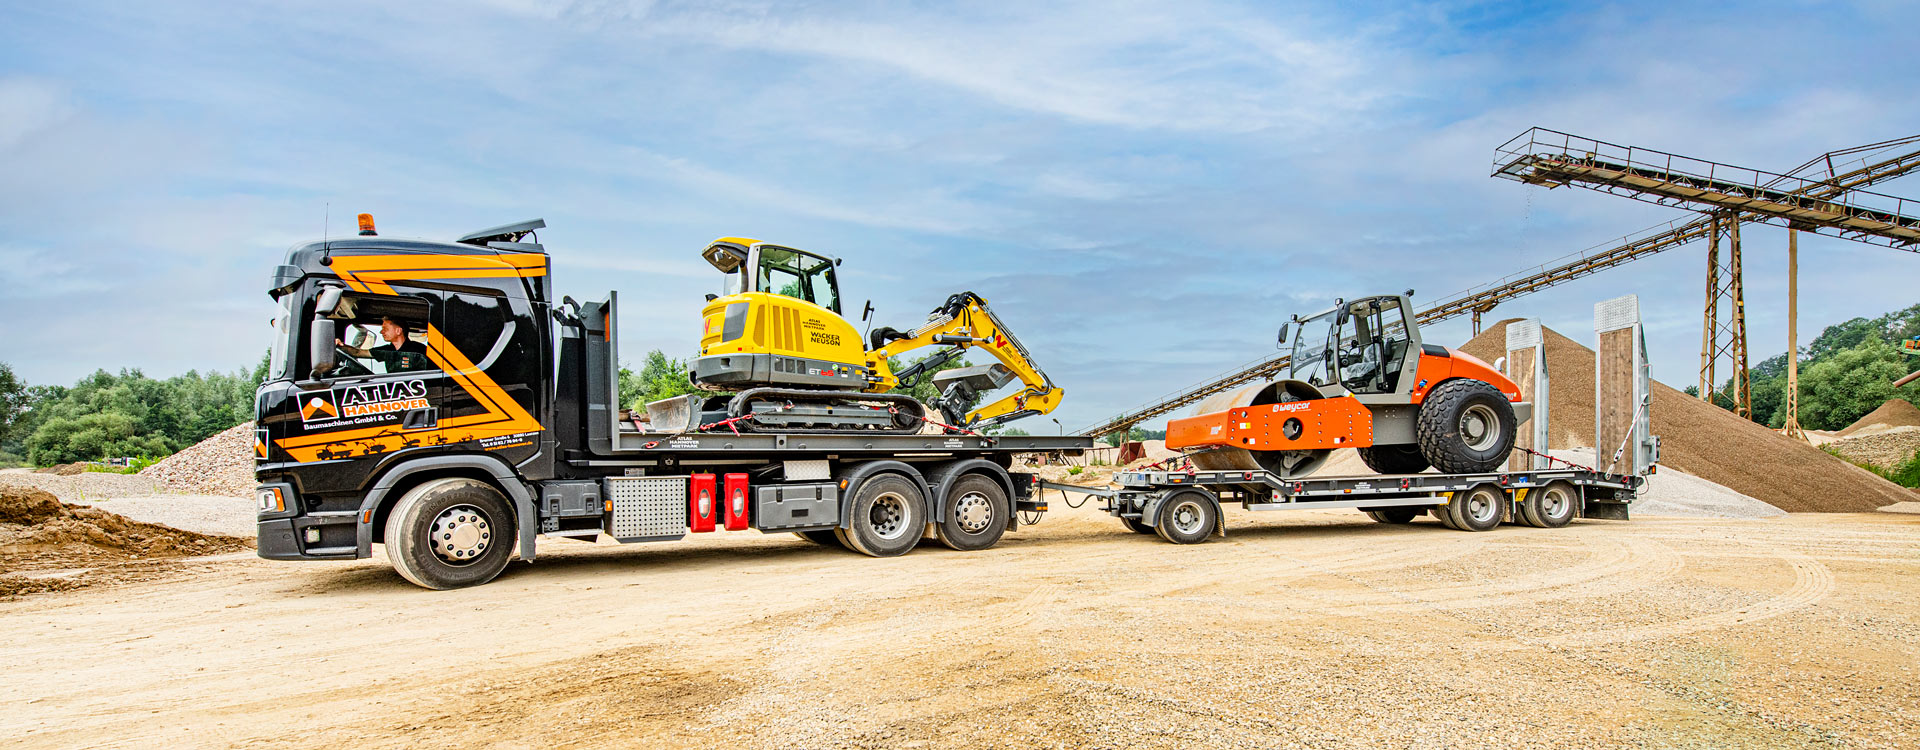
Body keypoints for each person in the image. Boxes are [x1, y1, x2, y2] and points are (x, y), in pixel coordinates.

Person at [340, 317, 430, 371]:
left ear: (398, 331)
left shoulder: (419, 350)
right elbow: (357, 353)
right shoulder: (387, 350)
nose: (381, 332)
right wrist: (340, 345)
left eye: (385, 328)